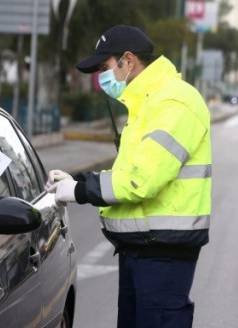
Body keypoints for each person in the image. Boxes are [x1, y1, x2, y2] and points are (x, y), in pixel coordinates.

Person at [46, 25, 211, 328]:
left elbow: (142, 180)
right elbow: (127, 172)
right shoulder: (145, 104)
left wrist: (80, 192)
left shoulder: (173, 102)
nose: (101, 77)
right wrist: (79, 180)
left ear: (128, 60)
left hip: (164, 254)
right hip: (141, 249)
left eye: (103, 67)